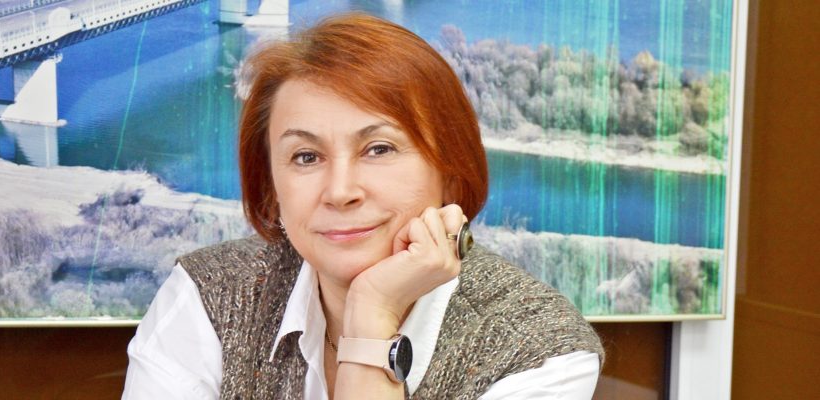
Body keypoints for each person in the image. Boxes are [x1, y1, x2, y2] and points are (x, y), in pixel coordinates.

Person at [122, 12, 603, 400]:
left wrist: (372, 318)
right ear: (271, 187)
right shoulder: (209, 294)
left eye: (379, 149)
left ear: (451, 172)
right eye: (306, 157)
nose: (340, 191)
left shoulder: (538, 349)